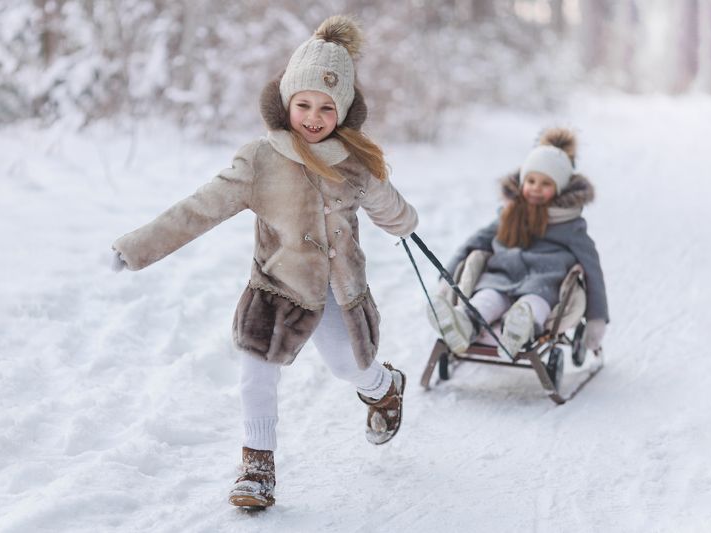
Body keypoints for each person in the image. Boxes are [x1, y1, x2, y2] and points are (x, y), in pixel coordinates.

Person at [110, 15, 418, 509]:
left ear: (342, 111)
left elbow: (389, 204)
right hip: (277, 288)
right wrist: (137, 246)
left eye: (326, 107)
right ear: (285, 102)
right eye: (304, 105)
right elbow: (200, 207)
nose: (313, 118)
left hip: (338, 290)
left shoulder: (354, 164)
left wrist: (405, 225)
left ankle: (383, 387)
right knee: (256, 371)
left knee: (348, 365)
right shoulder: (260, 159)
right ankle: (257, 467)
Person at [429, 127, 608, 357]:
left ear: (560, 188)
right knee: (486, 299)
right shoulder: (510, 214)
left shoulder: (571, 226)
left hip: (544, 285)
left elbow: (593, 269)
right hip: (500, 277)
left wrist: (597, 317)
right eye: (531, 180)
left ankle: (517, 333)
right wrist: (447, 276)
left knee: (530, 307)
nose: (535, 188)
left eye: (545, 184)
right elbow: (475, 242)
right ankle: (464, 324)